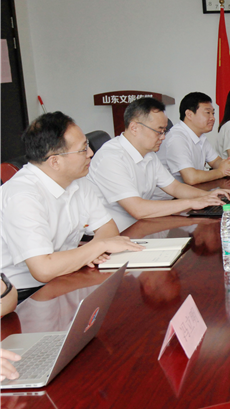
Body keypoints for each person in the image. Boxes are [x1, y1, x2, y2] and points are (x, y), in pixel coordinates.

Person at [0, 112, 144, 296]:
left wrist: (90, 252)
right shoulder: (22, 196)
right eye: (83, 149)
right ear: (55, 161)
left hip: (66, 275)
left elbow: (108, 229)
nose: (91, 153)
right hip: (22, 293)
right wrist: (97, 247)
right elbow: (43, 269)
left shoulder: (77, 180)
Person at [88, 97, 230, 232]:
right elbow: (137, 209)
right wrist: (191, 202)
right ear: (134, 128)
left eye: (164, 131)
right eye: (159, 131)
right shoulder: (111, 158)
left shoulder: (148, 154)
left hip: (142, 225)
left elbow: (174, 187)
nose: (163, 137)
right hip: (117, 233)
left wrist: (208, 196)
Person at [158, 92, 230, 184]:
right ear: (189, 114)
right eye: (208, 113)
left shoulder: (200, 136)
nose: (213, 118)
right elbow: (191, 178)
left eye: (213, 113)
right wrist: (221, 172)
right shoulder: (176, 138)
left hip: (190, 189)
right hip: (171, 193)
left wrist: (228, 165)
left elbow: (215, 161)